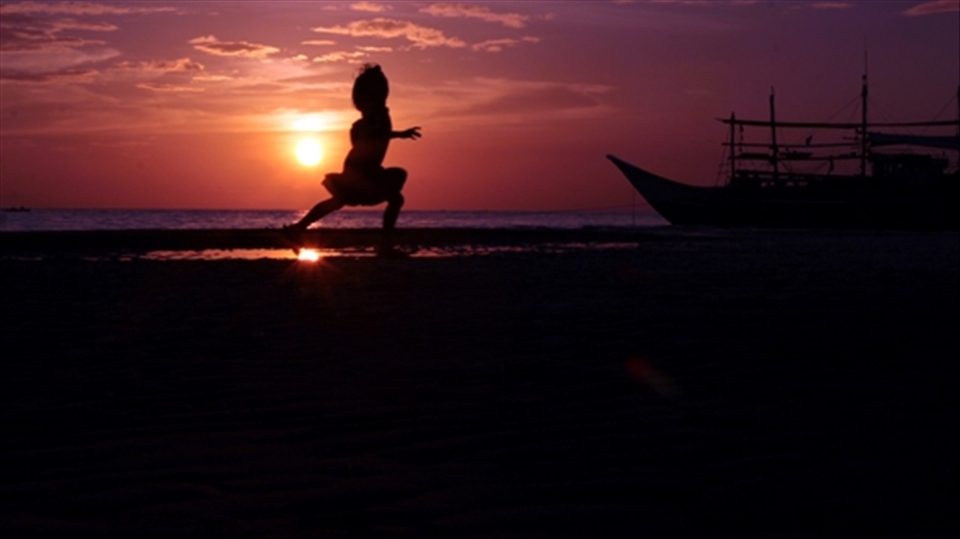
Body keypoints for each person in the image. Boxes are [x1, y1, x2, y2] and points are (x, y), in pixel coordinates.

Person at [284, 64, 421, 257]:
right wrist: (398, 134)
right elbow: (373, 135)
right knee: (390, 198)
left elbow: (372, 135)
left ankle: (298, 228)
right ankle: (385, 245)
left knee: (341, 201)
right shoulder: (374, 116)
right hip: (361, 168)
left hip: (365, 167)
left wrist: (393, 134)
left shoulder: (377, 114)